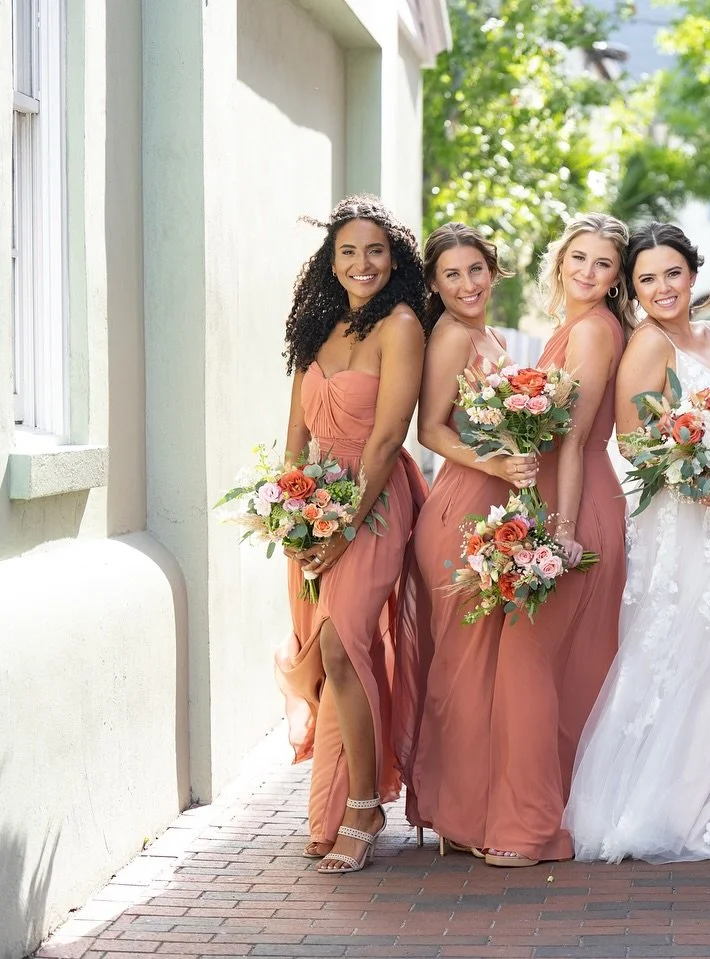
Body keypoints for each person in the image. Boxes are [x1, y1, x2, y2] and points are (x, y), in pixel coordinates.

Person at [563, 223, 710, 863]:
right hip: (679, 518)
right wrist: (693, 468)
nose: (661, 288)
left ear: (693, 275)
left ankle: (699, 799)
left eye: (672, 273)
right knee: (694, 646)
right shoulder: (646, 344)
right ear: (632, 287)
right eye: (646, 278)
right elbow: (633, 439)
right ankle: (667, 810)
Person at [272, 194, 431, 874]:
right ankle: (335, 807)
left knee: (342, 640)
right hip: (315, 503)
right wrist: (290, 511)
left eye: (375, 251)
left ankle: (365, 804)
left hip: (377, 496)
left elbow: (391, 434)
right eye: (348, 251)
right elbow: (296, 435)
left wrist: (346, 526)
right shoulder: (316, 324)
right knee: (333, 655)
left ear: (393, 260)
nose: (362, 263)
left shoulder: (401, 324)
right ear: (330, 261)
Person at [483, 213, 630, 867]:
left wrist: (562, 532)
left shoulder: (596, 332)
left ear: (618, 276)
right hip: (551, 499)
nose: (588, 272)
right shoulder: (568, 328)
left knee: (533, 664)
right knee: (550, 668)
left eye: (603, 264)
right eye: (579, 258)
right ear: (560, 261)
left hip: (578, 507)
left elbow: (573, 438)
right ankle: (549, 817)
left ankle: (539, 827)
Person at [408, 223, 537, 857]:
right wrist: (488, 464)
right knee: (460, 668)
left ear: (494, 271)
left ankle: (469, 813)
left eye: (476, 270)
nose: (467, 284)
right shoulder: (451, 335)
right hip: (461, 509)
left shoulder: (490, 336)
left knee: (486, 669)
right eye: (452, 275)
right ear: (434, 284)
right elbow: (430, 428)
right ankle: (455, 816)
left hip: (498, 507)